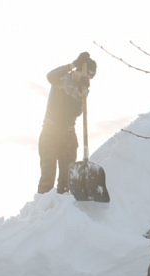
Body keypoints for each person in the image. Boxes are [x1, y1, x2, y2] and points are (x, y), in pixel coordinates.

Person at [37, 52, 97, 194]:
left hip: (68, 135)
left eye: (90, 77)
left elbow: (76, 112)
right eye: (87, 75)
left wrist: (82, 93)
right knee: (47, 179)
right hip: (50, 133)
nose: (88, 79)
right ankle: (43, 213)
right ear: (79, 70)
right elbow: (50, 76)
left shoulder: (82, 90)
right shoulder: (61, 80)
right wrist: (72, 65)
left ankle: (62, 213)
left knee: (66, 181)